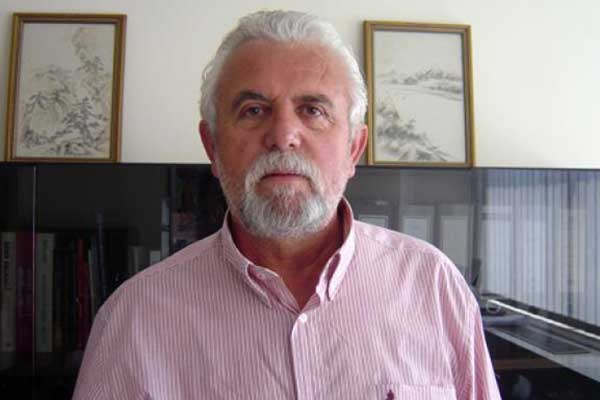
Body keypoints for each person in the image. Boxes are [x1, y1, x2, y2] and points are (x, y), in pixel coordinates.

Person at [73, 10, 500, 399]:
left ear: (354, 148)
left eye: (312, 110)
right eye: (253, 110)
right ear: (212, 148)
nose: (282, 136)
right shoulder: (134, 319)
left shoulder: (434, 287)